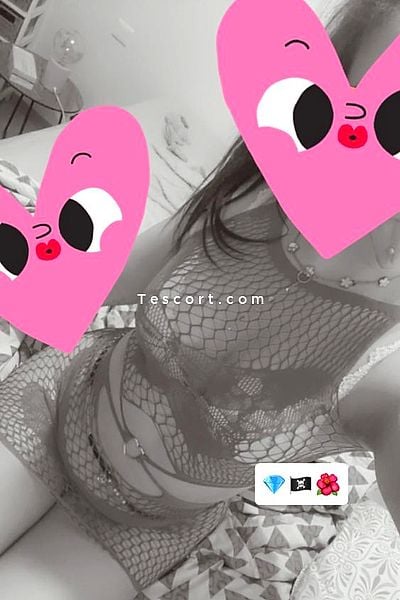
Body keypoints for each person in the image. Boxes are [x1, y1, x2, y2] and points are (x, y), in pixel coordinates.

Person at [1, 0, 400, 598]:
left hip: (148, 524)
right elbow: (118, 278)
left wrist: (301, 486)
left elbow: (367, 443)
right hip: (63, 403)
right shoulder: (256, 193)